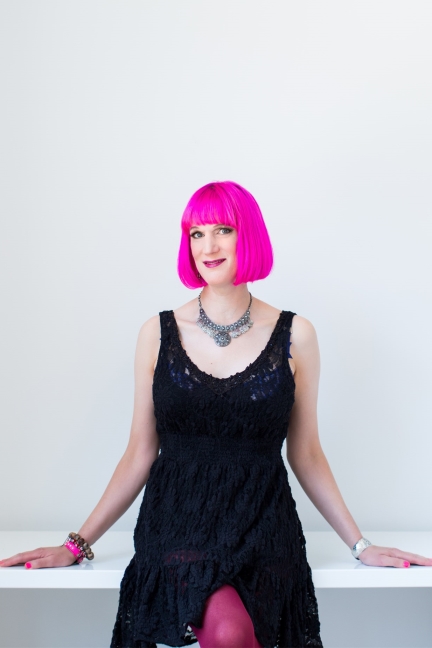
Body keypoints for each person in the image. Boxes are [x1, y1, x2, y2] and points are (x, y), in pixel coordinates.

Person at [1, 181, 431, 648]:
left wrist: (360, 545)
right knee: (229, 632)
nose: (208, 247)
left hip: (264, 522)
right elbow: (139, 454)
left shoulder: (296, 335)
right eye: (196, 233)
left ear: (249, 236)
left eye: (223, 230)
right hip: (179, 521)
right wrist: (76, 544)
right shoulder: (157, 332)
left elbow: (306, 453)